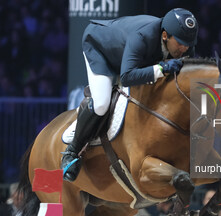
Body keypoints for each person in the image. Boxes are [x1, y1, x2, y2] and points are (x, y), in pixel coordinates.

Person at [62, 8, 198, 181]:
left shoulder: (184, 45)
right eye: (180, 43)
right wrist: (161, 68)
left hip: (131, 56)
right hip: (100, 48)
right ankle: (72, 151)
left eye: (188, 43)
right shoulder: (143, 36)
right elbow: (126, 77)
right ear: (165, 36)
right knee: (102, 104)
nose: (185, 48)